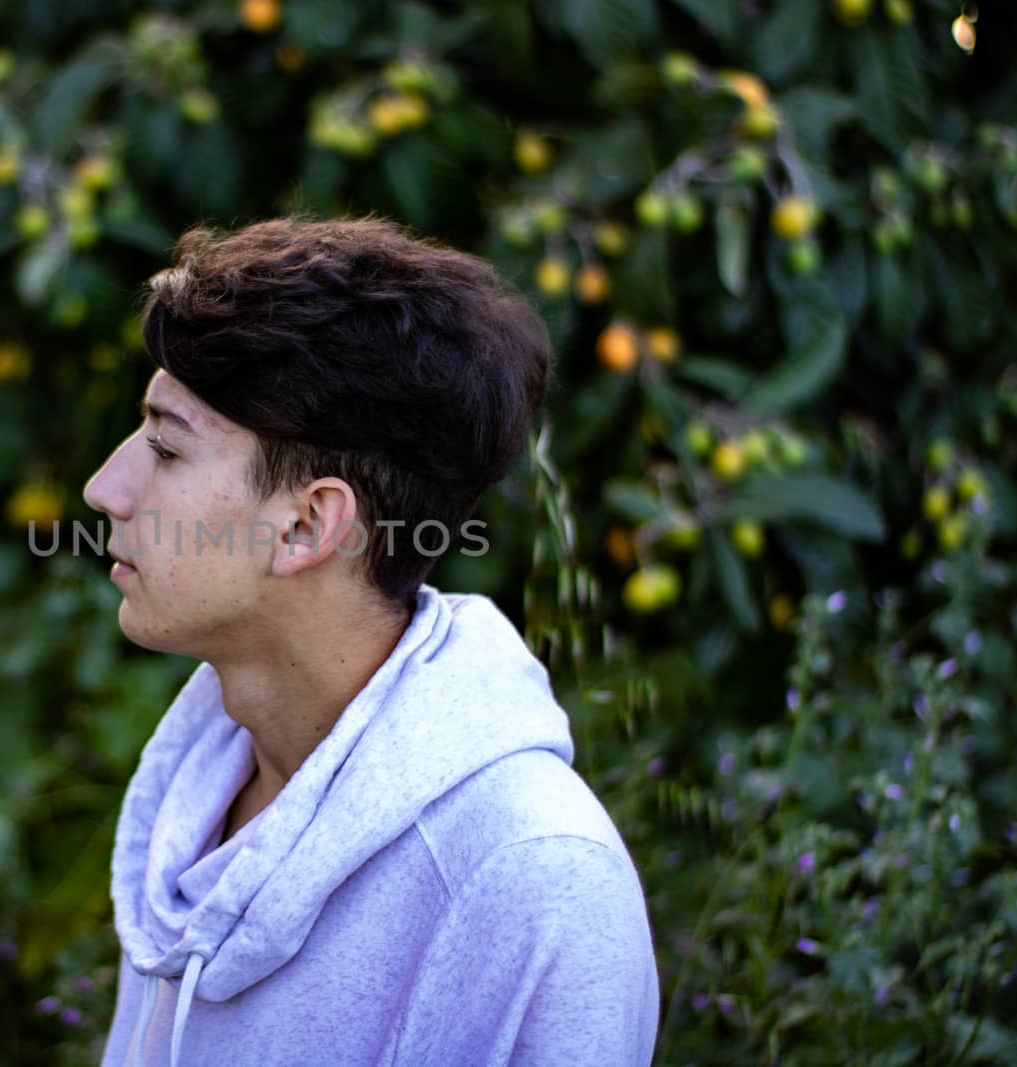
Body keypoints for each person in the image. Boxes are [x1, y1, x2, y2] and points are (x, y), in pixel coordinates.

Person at [80, 214, 659, 1066]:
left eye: (166, 447)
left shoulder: (535, 882)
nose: (105, 488)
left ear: (311, 524)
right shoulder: (204, 782)